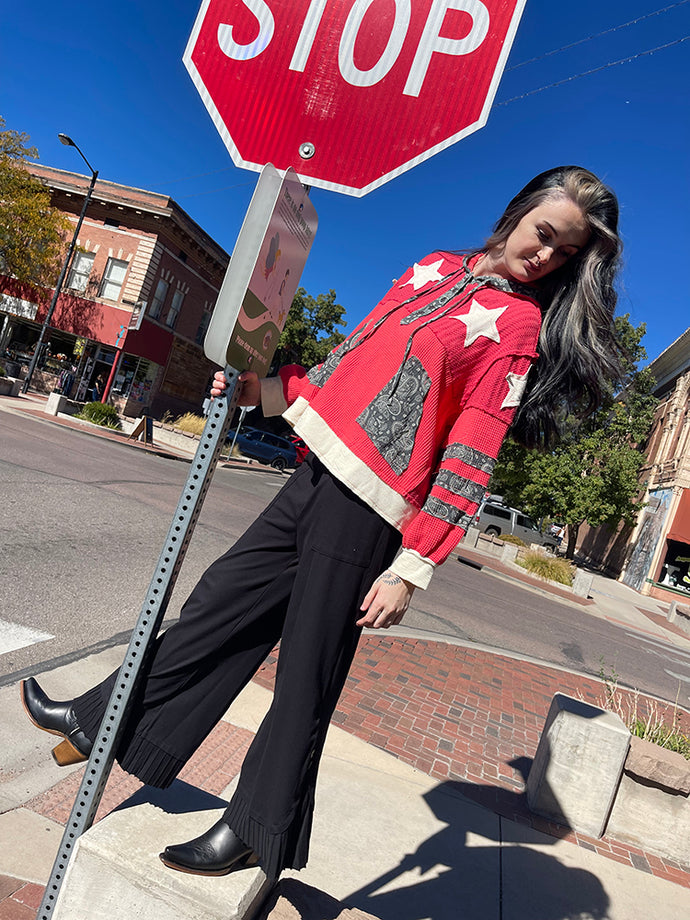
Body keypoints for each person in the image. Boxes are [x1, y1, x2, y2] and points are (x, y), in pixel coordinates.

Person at [21, 166, 623, 880]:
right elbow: (348, 361)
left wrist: (411, 567)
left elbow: (473, 448)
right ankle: (101, 719)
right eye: (544, 235)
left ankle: (255, 827)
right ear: (519, 212)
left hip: (370, 513)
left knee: (306, 671)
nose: (545, 256)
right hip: (313, 478)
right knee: (219, 603)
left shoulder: (519, 325)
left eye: (563, 254)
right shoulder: (431, 267)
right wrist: (263, 391)